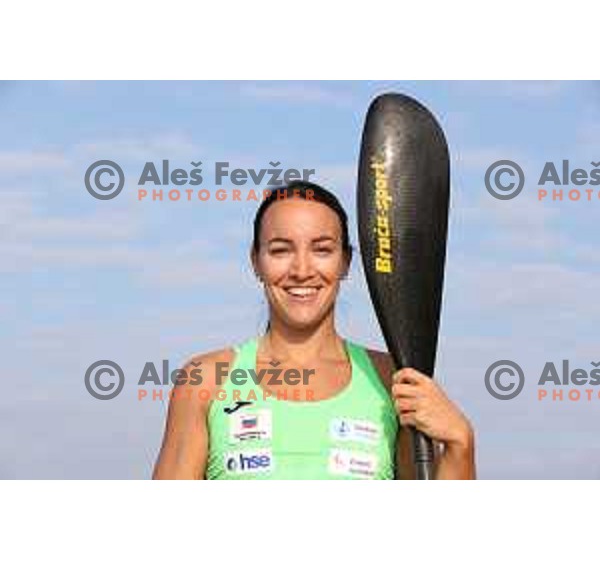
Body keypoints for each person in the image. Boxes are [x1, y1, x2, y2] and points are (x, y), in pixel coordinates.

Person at [152, 181, 475, 479]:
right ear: (256, 261)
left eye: (322, 249)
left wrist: (461, 444)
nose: (302, 270)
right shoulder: (206, 379)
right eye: (280, 250)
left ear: (346, 262)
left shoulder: (394, 379)